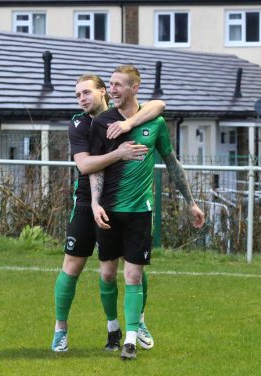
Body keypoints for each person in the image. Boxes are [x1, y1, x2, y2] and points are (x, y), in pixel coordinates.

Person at [89, 65, 205, 360]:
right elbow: (95, 167)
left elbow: (172, 163)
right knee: (106, 274)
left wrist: (191, 201)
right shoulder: (102, 122)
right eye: (110, 85)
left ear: (134, 88)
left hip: (140, 211)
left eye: (117, 85)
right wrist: (95, 202)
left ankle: (130, 339)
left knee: (133, 275)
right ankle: (113, 327)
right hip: (110, 210)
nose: (111, 90)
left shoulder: (155, 123)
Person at [51, 73, 166, 353]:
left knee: (133, 266)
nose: (81, 99)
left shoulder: (122, 116)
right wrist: (119, 154)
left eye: (86, 93)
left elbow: (158, 105)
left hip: (122, 205)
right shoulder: (80, 124)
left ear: (103, 91)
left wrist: (130, 122)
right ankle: (60, 329)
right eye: (77, 95)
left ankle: (137, 322)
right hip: (85, 204)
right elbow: (85, 166)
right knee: (74, 267)